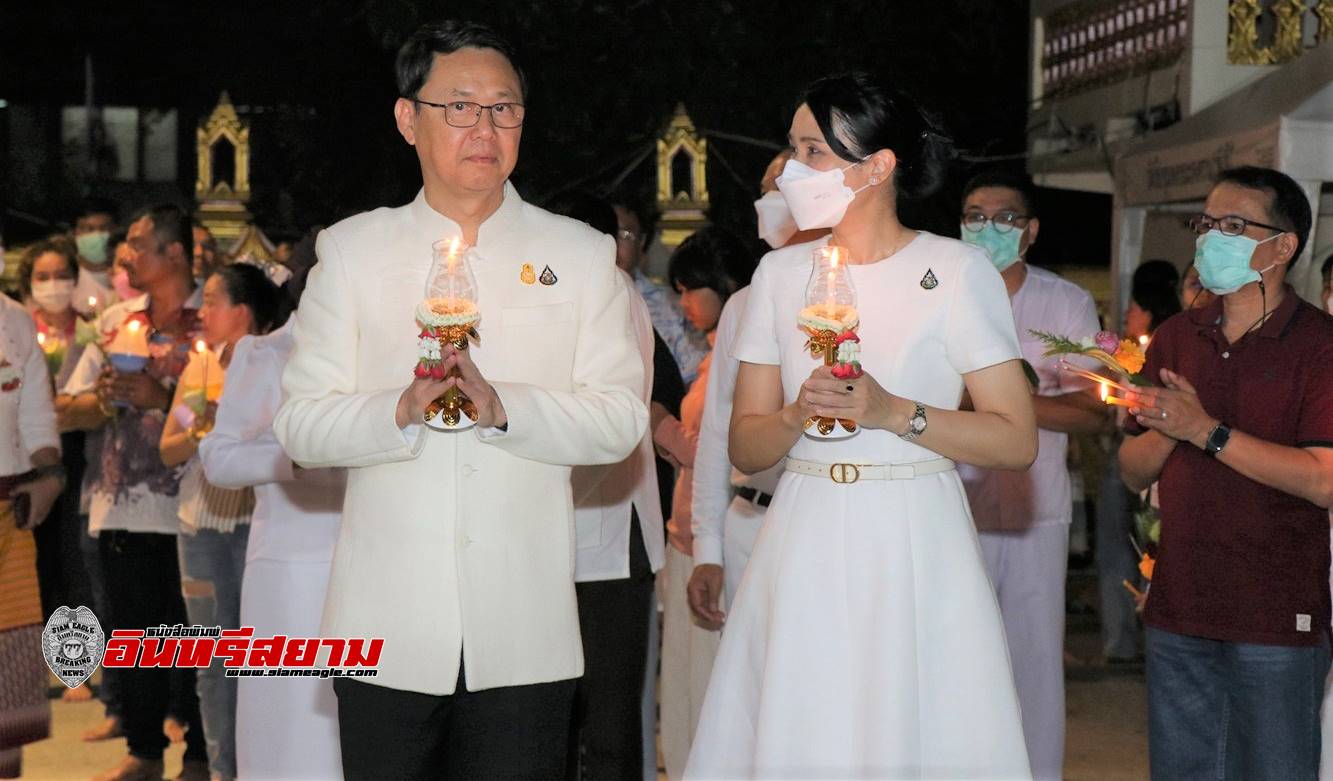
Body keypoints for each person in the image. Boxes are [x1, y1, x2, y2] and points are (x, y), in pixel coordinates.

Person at [272, 21, 646, 780]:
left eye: (503, 109)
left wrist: (503, 405)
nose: (485, 127)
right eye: (461, 107)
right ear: (408, 118)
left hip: (525, 630)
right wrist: (400, 408)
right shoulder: (351, 251)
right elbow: (300, 425)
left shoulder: (576, 254)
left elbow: (618, 420)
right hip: (382, 628)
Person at [686, 71, 1037, 779]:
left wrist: (891, 411)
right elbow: (746, 444)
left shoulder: (954, 269)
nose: (792, 170)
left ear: (877, 166)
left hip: (913, 525)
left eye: (813, 152)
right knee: (802, 725)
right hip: (805, 523)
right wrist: (793, 413)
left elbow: (1013, 436)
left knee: (909, 727)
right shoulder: (780, 277)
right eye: (791, 150)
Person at [1119, 166, 1333, 780]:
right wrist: (1167, 425)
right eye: (1207, 224)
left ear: (1283, 246)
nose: (1213, 237)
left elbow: (1322, 479)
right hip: (1180, 608)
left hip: (1275, 615)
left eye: (1234, 225)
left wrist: (1204, 430)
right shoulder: (1177, 337)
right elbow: (1132, 472)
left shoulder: (1320, 345)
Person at [954, 169, 1106, 780]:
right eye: (973, 216)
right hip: (949, 509)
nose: (987, 228)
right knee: (953, 663)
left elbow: (1095, 414)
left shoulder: (1063, 303)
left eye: (1005, 217)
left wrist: (1002, 407)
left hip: (1032, 514)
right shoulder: (935, 295)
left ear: (1031, 231)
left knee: (1034, 668)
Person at [61, 204, 210, 781]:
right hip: (123, 505)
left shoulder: (215, 317)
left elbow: (237, 407)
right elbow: (66, 410)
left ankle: (199, 753)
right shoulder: (115, 321)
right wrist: (103, 400)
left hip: (196, 506)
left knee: (198, 641)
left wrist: (160, 396)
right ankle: (145, 750)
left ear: (175, 254)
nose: (123, 253)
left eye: (137, 243)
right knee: (135, 639)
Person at [199, 233, 346, 781]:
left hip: (365, 567)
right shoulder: (264, 355)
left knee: (350, 732)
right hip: (286, 572)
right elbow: (220, 457)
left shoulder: (386, 359)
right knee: (287, 733)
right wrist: (295, 461)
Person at [543, 190, 672, 781]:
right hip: (558, 534)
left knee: (606, 720)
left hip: (611, 540)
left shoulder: (611, 295)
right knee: (556, 714)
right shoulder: (561, 292)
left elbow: (603, 418)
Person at [159, 263, 284, 781]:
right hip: (202, 528)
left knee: (260, 656)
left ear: (243, 310)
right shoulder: (198, 367)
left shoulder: (276, 364)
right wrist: (201, 429)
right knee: (211, 657)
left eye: (212, 301)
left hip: (258, 525)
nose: (201, 312)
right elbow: (169, 449)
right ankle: (220, 769)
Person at [686, 152, 813, 645]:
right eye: (766, 190)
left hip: (824, 521)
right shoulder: (744, 305)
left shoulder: (864, 291)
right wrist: (708, 549)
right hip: (749, 525)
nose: (770, 202)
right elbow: (718, 432)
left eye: (783, 188)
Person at [652, 227, 756, 781]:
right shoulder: (711, 360)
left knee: (714, 682)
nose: (684, 303)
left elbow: (729, 449)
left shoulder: (739, 359)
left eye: (691, 289)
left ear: (726, 286)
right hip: (689, 532)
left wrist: (661, 428)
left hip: (713, 533)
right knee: (687, 680)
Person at [17, 235, 96, 701]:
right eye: (42, 277)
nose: (53, 285)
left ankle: (76, 670)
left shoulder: (93, 330)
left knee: (74, 564)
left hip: (80, 455)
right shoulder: (17, 329)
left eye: (62, 275)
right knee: (33, 565)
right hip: (27, 462)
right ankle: (27, 669)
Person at [1097, 259, 1181, 665]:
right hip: (1153, 457)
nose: (1127, 316)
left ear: (1145, 310)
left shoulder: (1145, 356)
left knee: (1125, 547)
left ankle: (1125, 643)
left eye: (1131, 308)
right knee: (1146, 546)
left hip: (1142, 456)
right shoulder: (1172, 344)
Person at [0, 291, 64, 779]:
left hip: (7, 518)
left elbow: (36, 417)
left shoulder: (15, 321)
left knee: (9, 674)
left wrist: (49, 476)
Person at [614, 200, 710, 384]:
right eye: (607, 233)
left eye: (624, 234)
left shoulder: (673, 305)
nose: (615, 244)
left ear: (642, 241)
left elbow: (694, 371)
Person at [72, 197, 118, 314]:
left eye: (103, 228)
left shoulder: (127, 277)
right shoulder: (66, 276)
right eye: (89, 229)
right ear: (75, 233)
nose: (96, 235)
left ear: (114, 230)